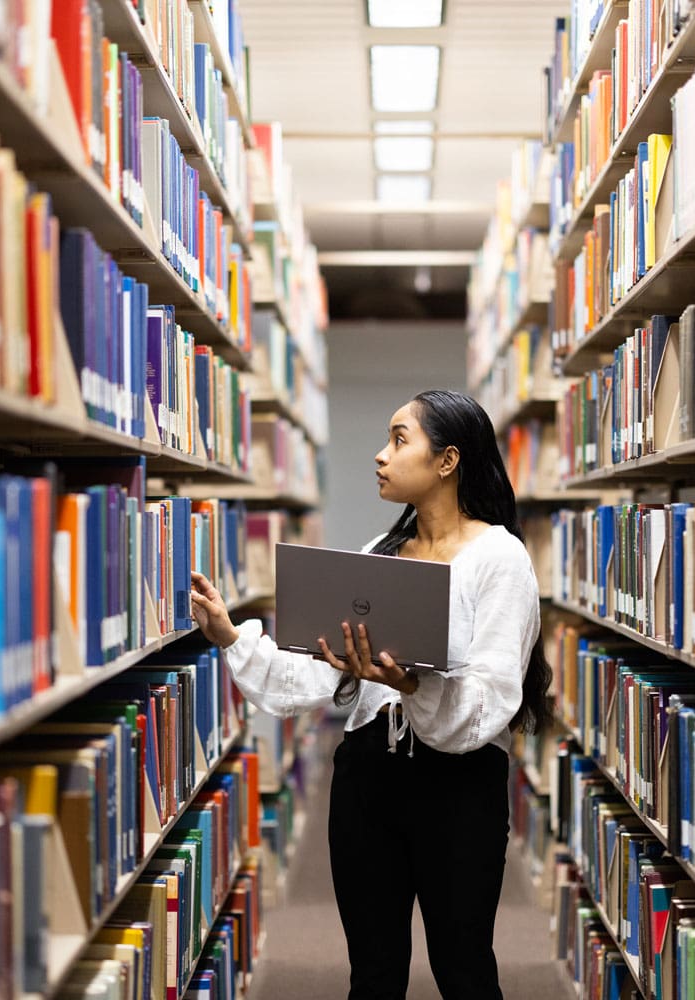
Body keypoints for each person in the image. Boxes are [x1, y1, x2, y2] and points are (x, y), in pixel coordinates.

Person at [188, 388, 551, 1000]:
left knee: (464, 968)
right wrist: (232, 638)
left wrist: (411, 685)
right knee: (373, 973)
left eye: (399, 439)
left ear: (447, 460)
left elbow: (492, 698)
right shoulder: (378, 559)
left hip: (457, 789)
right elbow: (316, 675)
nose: (381, 456)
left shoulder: (500, 559)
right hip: (365, 783)